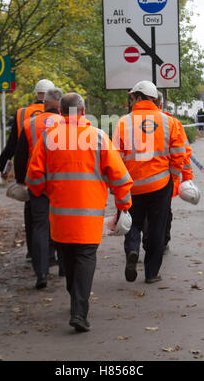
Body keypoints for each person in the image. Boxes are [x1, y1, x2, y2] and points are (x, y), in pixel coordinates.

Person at [25, 93, 133, 332]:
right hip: (89, 217)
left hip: (60, 217)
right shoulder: (98, 138)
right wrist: (123, 206)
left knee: (68, 259)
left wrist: (45, 190)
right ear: (83, 112)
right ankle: (79, 311)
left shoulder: (48, 138)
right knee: (85, 258)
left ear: (61, 112)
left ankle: (76, 304)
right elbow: (121, 177)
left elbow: (33, 179)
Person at [113, 80, 185, 284]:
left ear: (138, 98)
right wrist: (173, 174)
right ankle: (152, 273)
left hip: (132, 184)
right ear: (154, 99)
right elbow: (179, 153)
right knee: (156, 227)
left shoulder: (123, 122)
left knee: (132, 222)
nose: (130, 100)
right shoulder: (168, 122)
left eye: (132, 97)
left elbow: (115, 156)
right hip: (160, 184)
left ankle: (133, 250)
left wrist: (118, 183)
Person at [0, 78, 55, 258]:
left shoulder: (22, 113)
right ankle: (52, 253)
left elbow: (14, 145)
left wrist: (3, 164)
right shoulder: (59, 113)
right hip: (55, 172)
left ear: (36, 93)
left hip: (31, 172)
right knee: (53, 214)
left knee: (32, 214)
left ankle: (33, 252)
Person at [14, 87, 64, 289]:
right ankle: (63, 267)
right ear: (61, 106)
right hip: (62, 182)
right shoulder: (67, 124)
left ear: (44, 104)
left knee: (40, 226)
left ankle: (41, 272)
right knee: (61, 224)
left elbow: (20, 156)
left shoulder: (30, 124)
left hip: (37, 182)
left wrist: (21, 181)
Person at [154, 91, 194, 252]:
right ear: (161, 104)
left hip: (138, 180)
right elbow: (184, 152)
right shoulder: (172, 122)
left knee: (142, 215)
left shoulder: (130, 122)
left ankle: (143, 243)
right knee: (164, 212)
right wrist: (186, 177)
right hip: (167, 178)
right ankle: (163, 242)